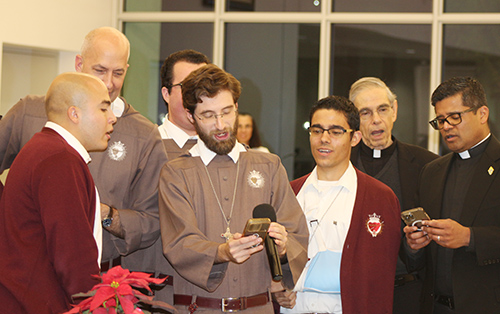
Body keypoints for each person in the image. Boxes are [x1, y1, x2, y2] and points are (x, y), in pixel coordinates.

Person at [0, 27, 168, 283]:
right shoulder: (30, 112)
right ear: (79, 63)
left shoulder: (144, 135)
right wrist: (9, 212)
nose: (108, 83)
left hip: (100, 276)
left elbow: (154, 220)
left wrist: (105, 215)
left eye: (118, 73)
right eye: (99, 70)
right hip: (27, 273)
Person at [158, 64, 309, 313]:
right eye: (208, 115)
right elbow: (178, 243)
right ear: (190, 115)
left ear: (237, 108)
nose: (220, 124)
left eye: (227, 112)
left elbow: (297, 235)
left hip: (258, 307)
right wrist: (221, 252)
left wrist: (283, 249)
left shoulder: (269, 166)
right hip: (200, 308)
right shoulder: (176, 173)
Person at [0, 72, 116, 314]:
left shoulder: (44, 149)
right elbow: (72, 255)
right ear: (74, 114)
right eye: (104, 109)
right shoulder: (59, 159)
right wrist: (97, 306)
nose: (113, 118)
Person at [275, 95, 401, 313]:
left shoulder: (379, 197)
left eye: (335, 132)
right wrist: (275, 287)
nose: (324, 139)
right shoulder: (289, 192)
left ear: (355, 138)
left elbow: (383, 276)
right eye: (317, 130)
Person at [404, 76, 500, 313]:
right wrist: (413, 245)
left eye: (455, 117)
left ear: (483, 114)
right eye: (440, 120)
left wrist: (469, 237)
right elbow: (417, 259)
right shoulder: (432, 171)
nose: (446, 126)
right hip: (435, 306)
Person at [348, 77, 438, 314]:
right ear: (354, 120)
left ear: (394, 110)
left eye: (383, 109)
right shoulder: (339, 165)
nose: (376, 119)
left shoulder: (427, 166)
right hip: (351, 292)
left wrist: (416, 243)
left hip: (408, 294)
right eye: (365, 113)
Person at [158, 49, 210, 159]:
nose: (196, 96)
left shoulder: (225, 148)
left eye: (202, 86)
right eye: (187, 86)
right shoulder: (149, 145)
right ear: (166, 94)